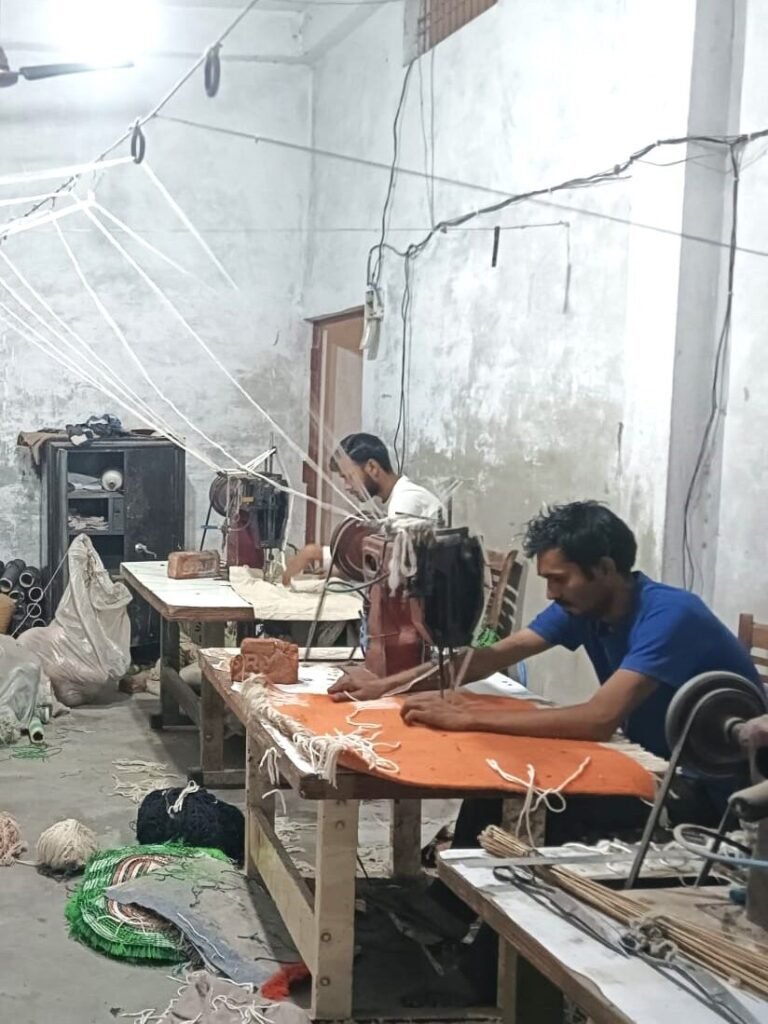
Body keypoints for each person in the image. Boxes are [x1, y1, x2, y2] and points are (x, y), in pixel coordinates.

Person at [329, 500, 762, 1000]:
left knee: (550, 805)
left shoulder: (670, 616)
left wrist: (468, 716)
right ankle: (449, 908)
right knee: (501, 767)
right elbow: (494, 655)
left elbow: (598, 719)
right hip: (648, 764)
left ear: (605, 568)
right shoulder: (588, 607)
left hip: (713, 801)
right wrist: (386, 685)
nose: (552, 593)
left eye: (559, 580)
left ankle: (487, 975)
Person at [282, 432, 443, 585]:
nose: (347, 487)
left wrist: (314, 553)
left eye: (349, 477)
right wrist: (341, 569)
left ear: (372, 467)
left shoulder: (405, 500)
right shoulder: (398, 497)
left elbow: (385, 563)